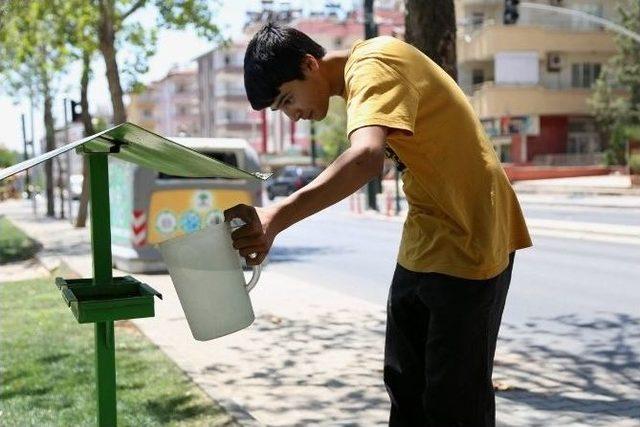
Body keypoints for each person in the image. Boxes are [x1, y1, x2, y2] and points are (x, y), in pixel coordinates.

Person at [224, 23, 532, 427]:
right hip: (426, 237)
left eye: (287, 99)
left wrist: (275, 218)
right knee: (404, 387)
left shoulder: (373, 63)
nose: (294, 116)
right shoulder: (362, 81)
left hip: (473, 235)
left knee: (454, 402)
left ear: (309, 64)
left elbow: (366, 157)